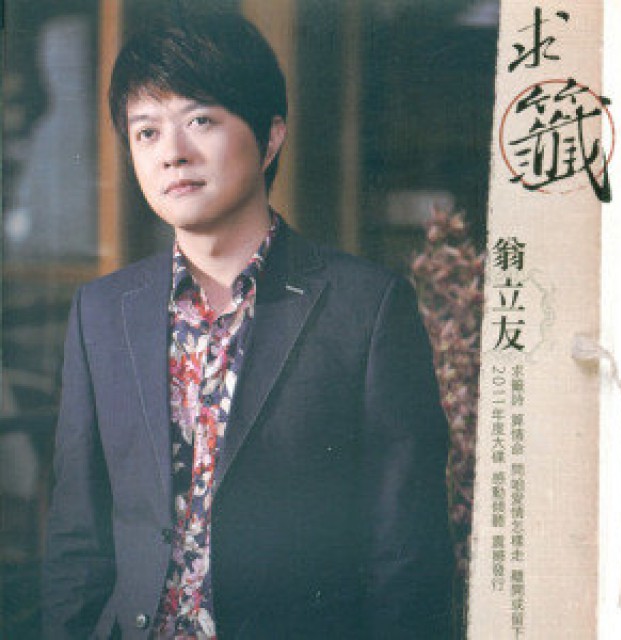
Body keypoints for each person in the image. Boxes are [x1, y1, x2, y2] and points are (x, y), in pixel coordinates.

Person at [42, 10, 454, 640]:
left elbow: (407, 555)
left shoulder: (365, 308)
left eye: (200, 121)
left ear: (270, 137)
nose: (172, 153)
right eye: (146, 132)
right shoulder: (101, 311)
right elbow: (77, 542)